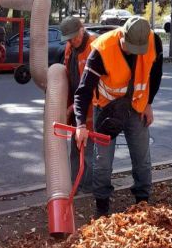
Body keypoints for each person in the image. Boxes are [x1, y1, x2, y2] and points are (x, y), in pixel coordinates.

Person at [73, 16, 163, 218]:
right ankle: (102, 207)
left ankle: (142, 203)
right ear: (121, 34)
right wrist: (80, 125)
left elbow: (156, 74)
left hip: (136, 106)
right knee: (102, 161)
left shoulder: (153, 42)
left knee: (142, 158)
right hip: (107, 110)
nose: (132, 51)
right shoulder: (102, 50)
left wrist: (149, 104)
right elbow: (83, 92)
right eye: (128, 46)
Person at [59, 16, 97, 192]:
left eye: (76, 37)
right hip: (76, 107)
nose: (74, 41)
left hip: (91, 108)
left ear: (82, 28)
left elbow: (93, 84)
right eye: (70, 39)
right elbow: (69, 77)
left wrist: (76, 105)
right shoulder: (70, 48)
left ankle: (88, 188)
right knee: (75, 150)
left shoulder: (94, 46)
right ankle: (75, 185)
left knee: (88, 152)